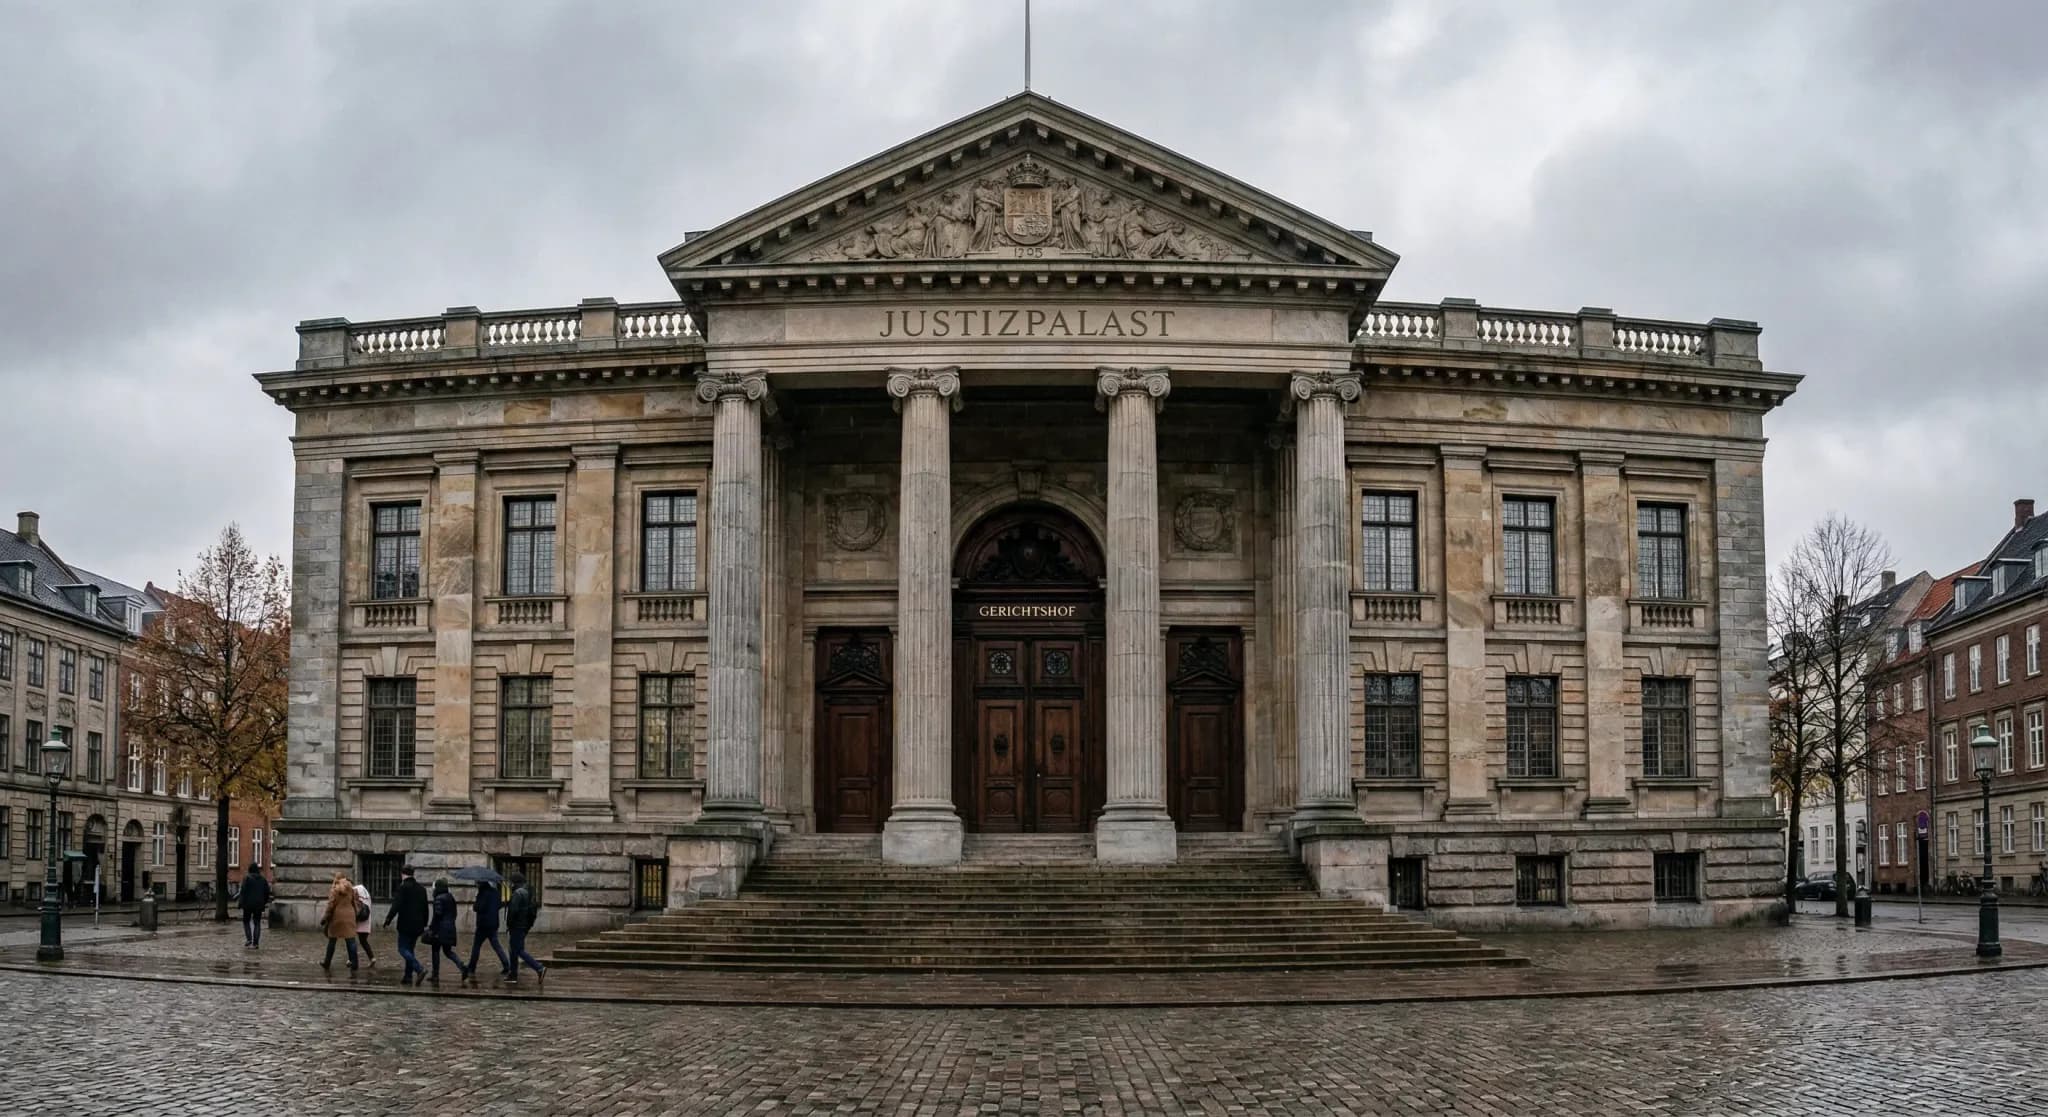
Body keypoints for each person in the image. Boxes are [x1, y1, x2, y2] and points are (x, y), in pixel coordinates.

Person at [382, 866, 429, 986]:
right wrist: (424, 923)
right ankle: (408, 976)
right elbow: (425, 908)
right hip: (418, 925)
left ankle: (419, 969)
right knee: (410, 950)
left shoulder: (402, 888)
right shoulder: (422, 889)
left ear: (402, 874)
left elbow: (396, 905)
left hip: (405, 924)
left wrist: (388, 919)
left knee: (402, 948)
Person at [426, 878, 471, 987]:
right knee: (448, 951)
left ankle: (435, 974)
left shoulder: (438, 898)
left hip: (440, 929)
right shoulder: (450, 897)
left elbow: (437, 915)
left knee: (435, 951)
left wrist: (432, 928)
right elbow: (454, 914)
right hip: (450, 927)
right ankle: (462, 966)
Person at [504, 872, 545, 986]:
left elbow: (513, 911)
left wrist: (509, 924)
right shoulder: (526, 892)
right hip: (523, 926)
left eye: (511, 882)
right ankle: (513, 975)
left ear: (515, 882)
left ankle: (539, 968)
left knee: (518, 950)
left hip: (517, 926)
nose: (510, 884)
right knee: (513, 950)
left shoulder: (518, 893)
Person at [466, 878, 509, 980]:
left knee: (476, 946)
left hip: (483, 924)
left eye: (477, 883)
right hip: (493, 923)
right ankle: (506, 965)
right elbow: (500, 905)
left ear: (480, 884)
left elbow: (479, 907)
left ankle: (471, 967)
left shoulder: (482, 893)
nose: (476, 884)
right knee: (496, 946)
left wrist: (475, 904)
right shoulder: (495, 892)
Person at [318, 874, 359, 971]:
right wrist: (355, 914)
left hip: (337, 917)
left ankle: (327, 962)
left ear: (336, 879)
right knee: (351, 940)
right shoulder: (351, 889)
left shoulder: (334, 890)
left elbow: (330, 906)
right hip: (350, 916)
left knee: (332, 940)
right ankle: (355, 963)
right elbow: (354, 903)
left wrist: (325, 918)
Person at [237, 863, 272, 949]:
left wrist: (240, 903)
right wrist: (264, 902)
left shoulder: (247, 878)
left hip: (247, 904)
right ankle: (256, 943)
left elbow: (243, 891)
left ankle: (249, 939)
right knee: (257, 923)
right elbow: (267, 892)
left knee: (246, 921)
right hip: (258, 904)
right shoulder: (263, 879)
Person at [352, 880, 377, 967]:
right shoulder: (367, 896)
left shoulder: (355, 891)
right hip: (366, 922)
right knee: (363, 941)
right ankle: (372, 958)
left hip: (358, 921)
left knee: (351, 941)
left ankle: (351, 959)